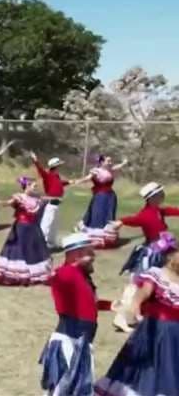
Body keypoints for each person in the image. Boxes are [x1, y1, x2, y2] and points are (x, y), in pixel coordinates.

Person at [94, 244, 179, 396]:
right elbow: (144, 291)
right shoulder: (157, 274)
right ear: (171, 257)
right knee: (150, 367)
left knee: (171, 367)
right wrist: (135, 305)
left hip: (175, 336)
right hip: (156, 330)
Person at [39, 234, 114, 396]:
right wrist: (51, 275)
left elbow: (88, 303)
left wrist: (111, 305)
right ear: (76, 255)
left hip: (81, 340)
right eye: (89, 252)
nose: (93, 256)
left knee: (75, 388)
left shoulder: (82, 275)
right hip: (70, 340)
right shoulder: (67, 272)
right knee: (67, 387)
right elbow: (57, 279)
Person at [108, 182, 179, 332]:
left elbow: (169, 211)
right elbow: (135, 220)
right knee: (139, 285)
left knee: (152, 284)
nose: (163, 195)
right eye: (160, 194)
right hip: (152, 254)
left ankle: (145, 314)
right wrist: (121, 221)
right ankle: (122, 318)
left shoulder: (156, 211)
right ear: (152, 197)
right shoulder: (147, 214)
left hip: (160, 253)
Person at [0, 177, 52, 286]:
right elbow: (8, 203)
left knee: (33, 249)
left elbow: (47, 200)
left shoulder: (37, 198)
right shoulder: (19, 197)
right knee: (20, 249)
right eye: (34, 186)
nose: (36, 188)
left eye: (36, 186)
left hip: (33, 228)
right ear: (27, 186)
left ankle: (34, 272)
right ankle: (19, 274)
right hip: (22, 227)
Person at [73, 154, 128, 249]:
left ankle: (107, 236)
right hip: (100, 197)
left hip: (110, 197)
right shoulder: (96, 171)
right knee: (98, 214)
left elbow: (118, 166)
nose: (110, 163)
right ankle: (95, 236)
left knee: (108, 215)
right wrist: (78, 181)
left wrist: (124, 163)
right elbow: (88, 178)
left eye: (111, 161)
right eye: (108, 161)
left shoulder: (110, 170)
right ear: (102, 162)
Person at [31, 152, 71, 249]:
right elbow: (41, 171)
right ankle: (40, 244)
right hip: (51, 204)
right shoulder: (48, 175)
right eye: (59, 165)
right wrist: (35, 160)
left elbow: (58, 183)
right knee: (46, 224)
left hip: (57, 204)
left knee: (54, 225)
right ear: (55, 166)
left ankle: (51, 243)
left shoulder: (56, 176)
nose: (60, 167)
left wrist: (68, 182)